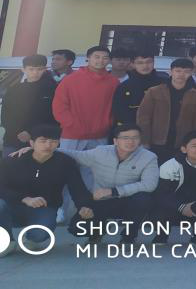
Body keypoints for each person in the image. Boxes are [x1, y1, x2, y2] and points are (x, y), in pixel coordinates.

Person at [0, 124, 92, 256]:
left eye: (53, 141)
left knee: (40, 234)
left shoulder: (65, 162)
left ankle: (31, 239)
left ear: (58, 143)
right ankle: (6, 242)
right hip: (14, 206)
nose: (48, 145)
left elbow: (77, 188)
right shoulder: (13, 160)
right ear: (32, 143)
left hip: (45, 208)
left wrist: (83, 206)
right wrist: (24, 198)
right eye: (43, 141)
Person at [56, 124, 159, 245]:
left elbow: (149, 184)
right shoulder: (101, 152)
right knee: (77, 228)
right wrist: (46, 149)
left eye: (135, 138)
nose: (130, 142)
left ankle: (129, 237)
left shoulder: (148, 157)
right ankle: (98, 231)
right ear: (115, 141)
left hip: (128, 201)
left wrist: (114, 191)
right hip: (101, 201)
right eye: (125, 138)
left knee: (143, 199)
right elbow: (75, 155)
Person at [52, 45, 119, 218]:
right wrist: (72, 124)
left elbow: (115, 108)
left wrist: (106, 124)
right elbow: (59, 106)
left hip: (99, 135)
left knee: (94, 175)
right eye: (96, 57)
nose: (100, 61)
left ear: (109, 61)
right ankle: (60, 209)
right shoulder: (71, 79)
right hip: (72, 135)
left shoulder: (113, 82)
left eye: (105, 57)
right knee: (64, 171)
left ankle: (88, 209)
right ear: (88, 58)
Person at [137, 58, 196, 162]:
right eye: (178, 71)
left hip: (182, 142)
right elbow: (143, 117)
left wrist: (194, 142)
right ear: (170, 71)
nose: (181, 75)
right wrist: (144, 140)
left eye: (186, 72)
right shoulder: (154, 91)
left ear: (191, 73)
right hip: (157, 140)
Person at [0, 54, 56, 157]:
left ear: (45, 69)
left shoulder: (52, 89)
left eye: (39, 69)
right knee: (9, 165)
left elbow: (51, 117)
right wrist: (17, 131)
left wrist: (31, 132)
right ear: (23, 69)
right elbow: (5, 114)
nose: (35, 72)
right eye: (31, 69)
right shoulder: (14, 89)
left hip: (40, 140)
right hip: (12, 139)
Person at [111, 52, 163, 140]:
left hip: (158, 133)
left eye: (149, 62)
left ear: (154, 62)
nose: (145, 66)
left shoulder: (163, 84)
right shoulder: (124, 86)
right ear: (133, 64)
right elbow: (119, 112)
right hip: (132, 134)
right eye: (140, 63)